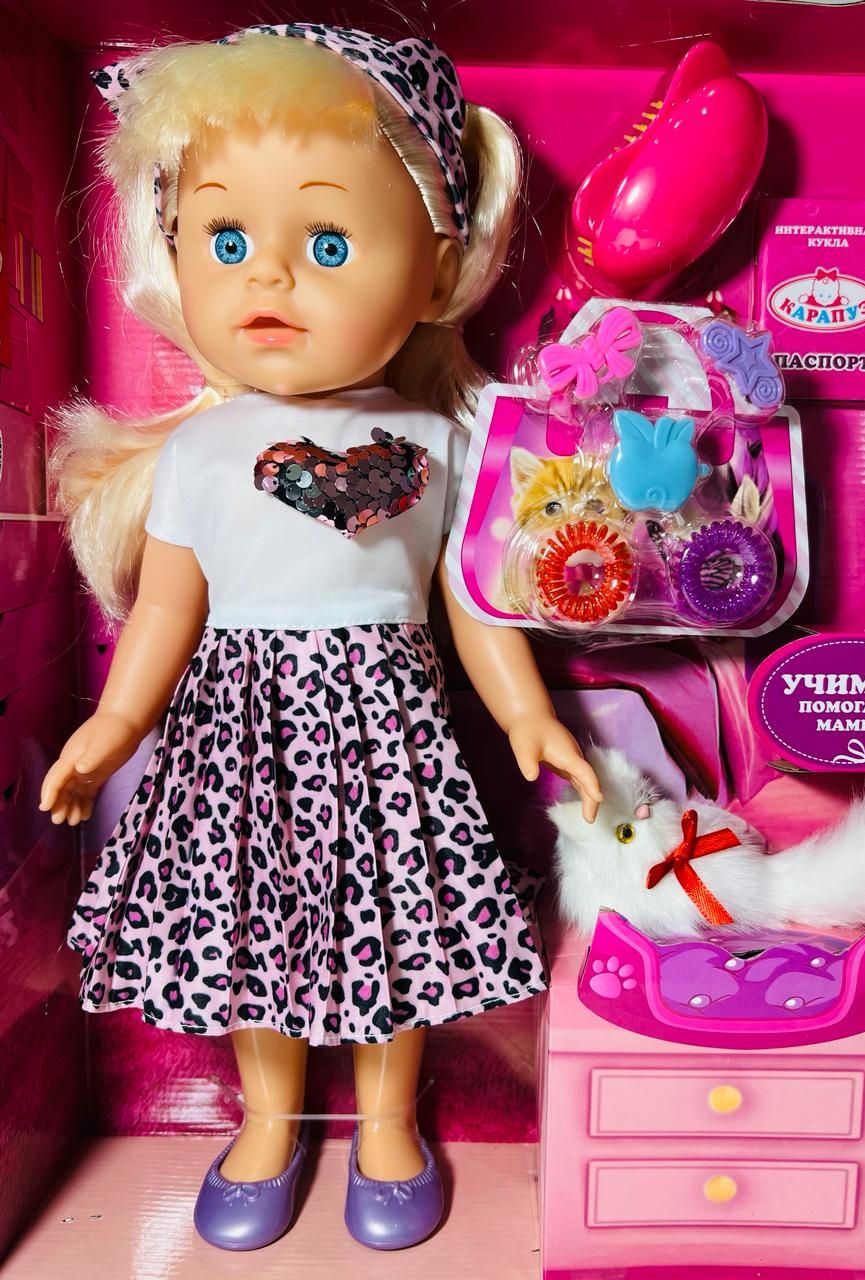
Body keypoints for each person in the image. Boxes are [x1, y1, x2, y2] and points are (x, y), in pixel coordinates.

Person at [38, 24, 601, 1253]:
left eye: (330, 244)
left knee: (392, 926)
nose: (271, 280)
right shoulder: (197, 450)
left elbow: (473, 596)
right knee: (249, 931)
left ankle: (390, 1122)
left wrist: (527, 709)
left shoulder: (440, 443)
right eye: (226, 241)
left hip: (389, 735)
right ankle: (269, 1121)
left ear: (436, 267)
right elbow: (169, 608)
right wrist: (113, 722)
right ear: (174, 251)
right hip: (233, 739)